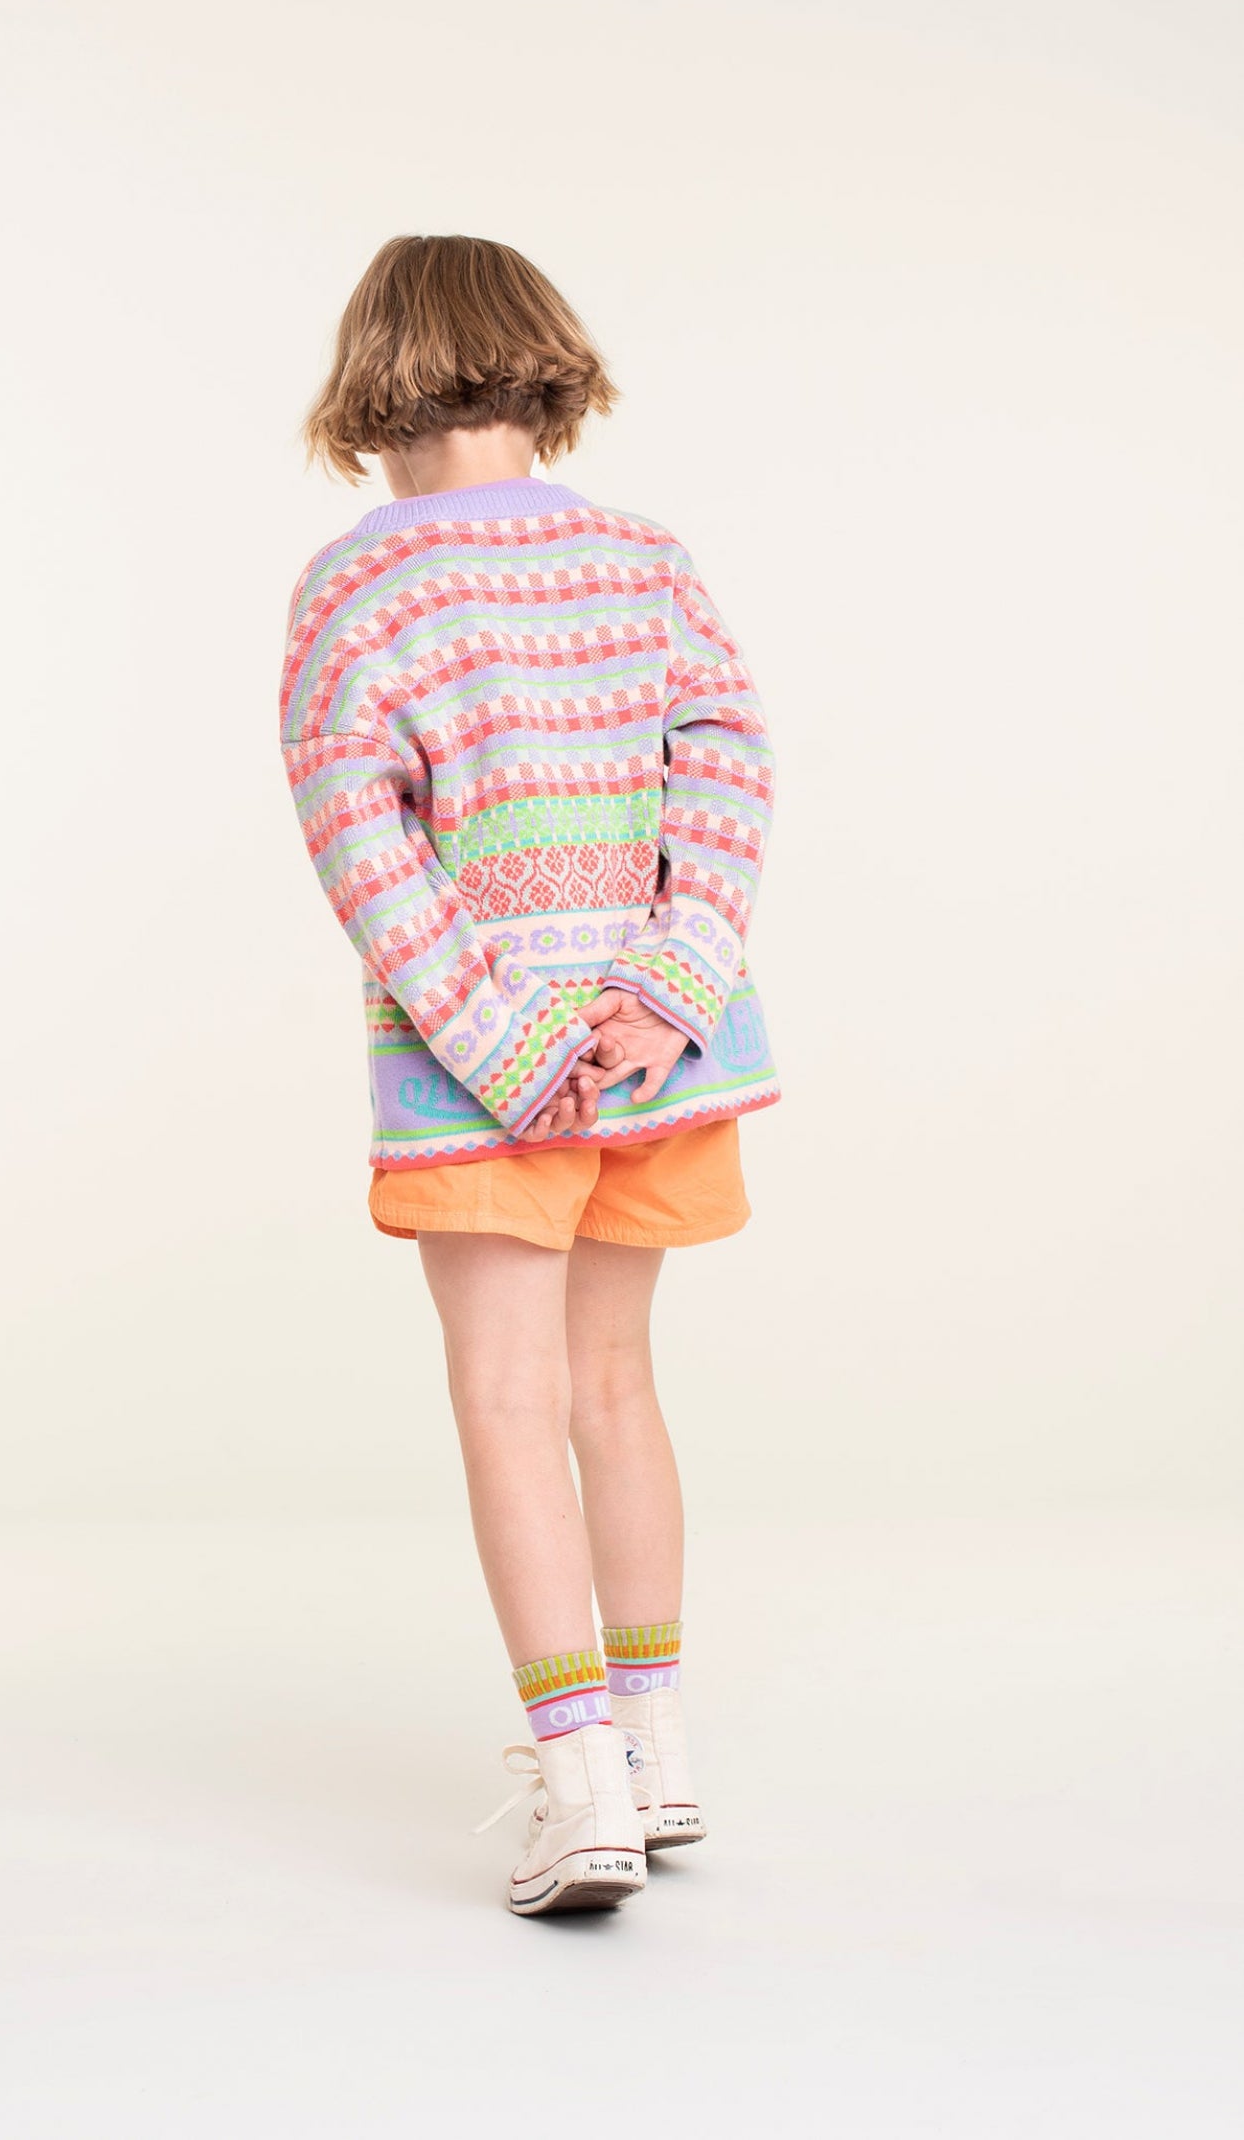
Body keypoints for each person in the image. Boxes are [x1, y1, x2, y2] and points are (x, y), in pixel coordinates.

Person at [278, 234, 779, 1916]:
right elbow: (727, 768)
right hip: (654, 1066)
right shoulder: (643, 559)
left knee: (506, 1401)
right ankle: (659, 1754)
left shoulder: (355, 590)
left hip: (477, 1075)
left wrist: (501, 1044)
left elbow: (361, 847)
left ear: (373, 376)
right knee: (613, 1389)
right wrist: (666, 993)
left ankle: (580, 1794)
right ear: (542, 358)